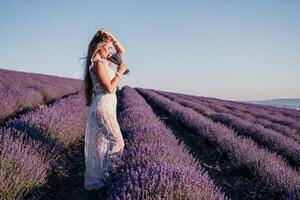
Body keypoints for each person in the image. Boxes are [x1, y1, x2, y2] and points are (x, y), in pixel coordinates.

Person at [82, 28, 127, 193]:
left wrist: (112, 37)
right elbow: (109, 88)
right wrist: (120, 73)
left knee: (102, 145)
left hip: (105, 107)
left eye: (110, 48)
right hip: (102, 107)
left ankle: (103, 180)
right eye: (108, 48)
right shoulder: (98, 63)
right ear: (99, 46)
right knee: (117, 142)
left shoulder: (104, 60)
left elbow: (122, 51)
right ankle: (109, 179)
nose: (111, 51)